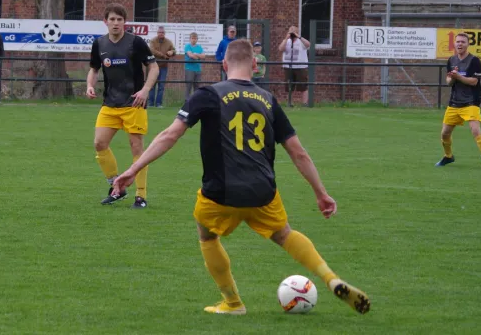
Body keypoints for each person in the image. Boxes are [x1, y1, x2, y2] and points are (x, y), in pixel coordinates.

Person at [112, 39, 370, 315]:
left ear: (224, 64)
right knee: (284, 234)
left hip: (220, 193)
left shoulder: (208, 94)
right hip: (263, 192)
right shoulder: (269, 100)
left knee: (207, 234)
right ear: (255, 64)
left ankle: (233, 302)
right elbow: (299, 153)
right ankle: (331, 278)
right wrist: (321, 193)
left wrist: (133, 169)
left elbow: (170, 135)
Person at [86, 3, 159, 208]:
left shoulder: (136, 43)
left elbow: (153, 68)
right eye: (112, 19)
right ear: (105, 22)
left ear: (124, 22)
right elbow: (93, 69)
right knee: (99, 144)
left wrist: (145, 90)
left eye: (119, 19)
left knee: (137, 148)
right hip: (110, 104)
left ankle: (141, 195)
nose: (116, 23)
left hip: (133, 103)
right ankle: (116, 186)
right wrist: (90, 85)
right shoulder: (99, 44)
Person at [436, 33, 481, 170]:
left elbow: (474, 82)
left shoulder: (474, 61)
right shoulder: (451, 60)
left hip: (471, 102)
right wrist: (453, 77)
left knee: (475, 130)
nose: (460, 44)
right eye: (457, 42)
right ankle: (448, 156)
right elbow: (449, 82)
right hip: (455, 102)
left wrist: (458, 77)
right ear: (454, 44)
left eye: (462, 42)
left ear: (468, 44)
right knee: (444, 133)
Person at [278, 26, 310, 104]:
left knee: (303, 86)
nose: (292, 32)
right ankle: (290, 103)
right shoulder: (286, 41)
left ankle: (305, 104)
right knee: (289, 86)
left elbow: (308, 44)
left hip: (301, 67)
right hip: (288, 67)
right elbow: (280, 49)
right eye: (290, 31)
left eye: (293, 31)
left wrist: (298, 36)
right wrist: (286, 38)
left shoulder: (301, 41)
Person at [148, 26, 176, 108]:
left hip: (164, 66)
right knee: (152, 84)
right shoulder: (153, 41)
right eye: (160, 32)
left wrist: (172, 52)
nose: (161, 34)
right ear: (157, 33)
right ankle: (150, 103)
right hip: (153, 66)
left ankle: (158, 103)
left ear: (164, 33)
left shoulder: (168, 42)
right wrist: (163, 56)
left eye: (162, 32)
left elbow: (174, 50)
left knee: (161, 86)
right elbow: (152, 51)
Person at [184, 32, 205, 101]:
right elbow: (191, 55)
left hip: (198, 69)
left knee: (197, 86)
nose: (194, 40)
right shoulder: (187, 46)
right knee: (188, 86)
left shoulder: (199, 47)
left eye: (195, 38)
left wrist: (196, 55)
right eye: (192, 38)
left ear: (197, 39)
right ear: (190, 39)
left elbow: (204, 56)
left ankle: (196, 101)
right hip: (189, 68)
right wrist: (198, 56)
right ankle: (187, 101)